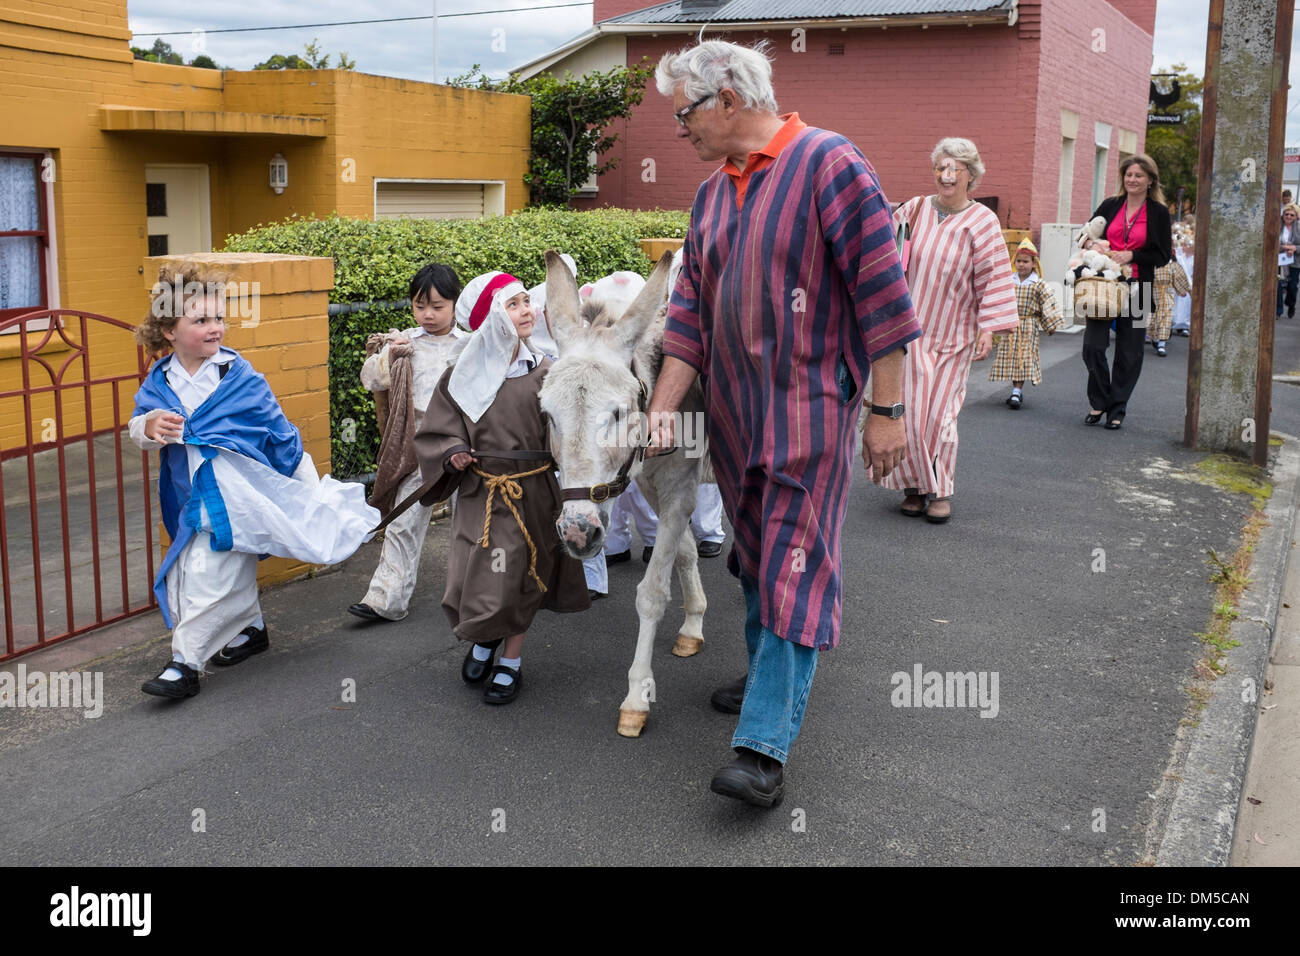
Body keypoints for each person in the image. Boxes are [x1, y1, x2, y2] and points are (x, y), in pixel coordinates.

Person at [644, 40, 921, 806]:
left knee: (795, 561)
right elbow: (689, 317)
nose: (679, 130)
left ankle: (763, 748)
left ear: (727, 99)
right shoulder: (711, 195)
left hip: (809, 413)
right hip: (735, 424)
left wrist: (887, 411)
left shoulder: (830, 163)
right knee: (757, 558)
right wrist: (661, 412)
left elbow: (885, 300)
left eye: (684, 113)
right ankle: (772, 671)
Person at [131, 267, 377, 699]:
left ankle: (184, 663)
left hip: (241, 499)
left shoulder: (239, 379)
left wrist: (306, 489)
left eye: (219, 318)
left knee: (208, 574)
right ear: (169, 331)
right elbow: (140, 425)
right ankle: (253, 629)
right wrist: (148, 426)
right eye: (201, 321)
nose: (215, 328)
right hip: (192, 499)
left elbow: (279, 434)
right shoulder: (160, 382)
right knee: (201, 571)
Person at [414, 271, 590, 705]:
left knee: (521, 578)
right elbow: (441, 428)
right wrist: (454, 450)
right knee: (482, 579)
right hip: (482, 495)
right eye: (512, 305)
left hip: (532, 494)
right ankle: (484, 640)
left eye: (526, 301)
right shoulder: (461, 376)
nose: (527, 310)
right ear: (490, 318)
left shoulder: (547, 373)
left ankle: (510, 661)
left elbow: (572, 434)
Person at [873, 138, 1018, 522]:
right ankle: (914, 487)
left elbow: (993, 276)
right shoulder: (914, 210)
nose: (946, 175)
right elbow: (885, 255)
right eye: (941, 167)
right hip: (908, 332)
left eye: (955, 168)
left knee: (940, 416)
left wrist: (988, 327)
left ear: (971, 175)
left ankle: (940, 489)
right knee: (911, 411)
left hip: (955, 334)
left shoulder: (982, 221)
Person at [348, 264, 468, 623]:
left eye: (437, 306)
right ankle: (386, 600)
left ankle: (472, 595)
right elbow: (370, 380)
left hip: (466, 448)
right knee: (403, 521)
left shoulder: (471, 345)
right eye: (420, 306)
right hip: (417, 449)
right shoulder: (405, 344)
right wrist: (390, 355)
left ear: (455, 305)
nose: (428, 314)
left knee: (471, 524)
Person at [1080, 153, 1172, 430]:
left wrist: (1131, 255)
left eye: (1139, 176)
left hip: (1139, 287)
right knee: (1093, 347)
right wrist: (1092, 247)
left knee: (1130, 353)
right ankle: (1100, 399)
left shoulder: (1158, 213)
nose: (1132, 180)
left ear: (1150, 180)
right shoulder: (1110, 205)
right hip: (1103, 285)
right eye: (1129, 175)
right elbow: (1087, 235)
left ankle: (1117, 408)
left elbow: (1163, 255)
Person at [989, 238, 1062, 408]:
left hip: (1028, 326)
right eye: (1019, 261)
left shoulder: (1038, 284)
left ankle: (1016, 391)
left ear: (1033, 263)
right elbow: (998, 299)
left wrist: (1051, 324)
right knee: (1010, 358)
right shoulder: (1008, 281)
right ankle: (1015, 390)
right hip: (1009, 326)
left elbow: (1048, 303)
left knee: (1023, 358)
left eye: (1025, 261)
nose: (1021, 265)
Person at [1149, 256, 1191, 355]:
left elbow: (1179, 278)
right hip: (1151, 292)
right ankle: (1155, 338)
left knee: (1166, 318)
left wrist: (1183, 289)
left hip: (1167, 293)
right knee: (1152, 317)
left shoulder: (1173, 265)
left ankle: (1161, 345)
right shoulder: (1151, 262)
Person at [1172, 227, 1194, 336]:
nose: (1184, 247)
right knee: (1177, 303)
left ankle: (1185, 325)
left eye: (1187, 245)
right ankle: (1175, 322)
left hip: (1190, 282)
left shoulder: (1194, 258)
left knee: (1187, 304)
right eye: (1184, 245)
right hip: (1180, 281)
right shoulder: (1180, 257)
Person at [1278, 204, 1299, 320]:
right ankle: (1278, 311)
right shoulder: (1278, 226)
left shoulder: (1299, 228)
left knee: (1292, 287)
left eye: (1292, 215)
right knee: (1279, 286)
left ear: (1295, 216)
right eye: (1287, 214)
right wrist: (1285, 248)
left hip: (1295, 262)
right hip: (1281, 260)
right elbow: (1274, 242)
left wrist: (1295, 248)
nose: (1289, 217)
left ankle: (1291, 305)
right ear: (1283, 215)